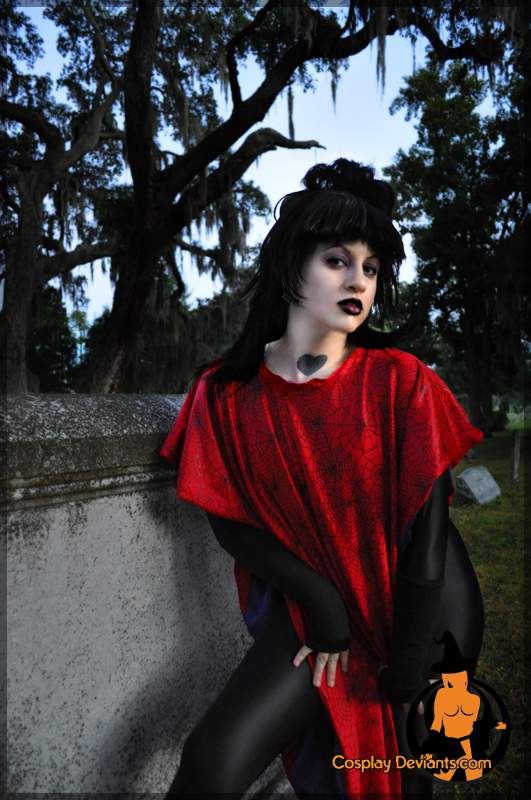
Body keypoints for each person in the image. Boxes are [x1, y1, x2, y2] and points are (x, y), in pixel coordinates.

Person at [159, 159, 485, 798]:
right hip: (314, 611)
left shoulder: (403, 381)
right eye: (338, 260)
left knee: (400, 778)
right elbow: (227, 517)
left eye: (371, 268)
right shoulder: (224, 393)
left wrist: (413, 658)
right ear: (291, 267)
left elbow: (430, 536)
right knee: (212, 764)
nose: (359, 280)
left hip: (419, 610)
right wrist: (318, 597)